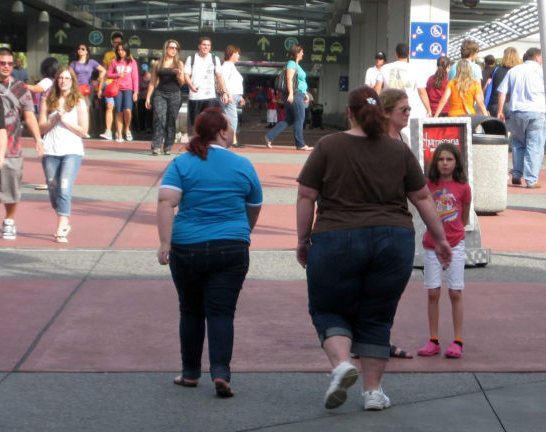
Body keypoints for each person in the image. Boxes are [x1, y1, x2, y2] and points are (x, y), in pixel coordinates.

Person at [296, 86, 452, 411]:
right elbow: (422, 197)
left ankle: (341, 365)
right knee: (377, 314)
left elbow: (307, 196)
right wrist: (440, 239)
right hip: (393, 239)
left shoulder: (328, 146)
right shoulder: (398, 150)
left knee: (329, 308)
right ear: (380, 112)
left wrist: (302, 239)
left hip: (336, 237)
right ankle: (372, 393)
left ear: (349, 112)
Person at [157, 107, 263, 399]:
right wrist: (243, 231)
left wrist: (165, 243)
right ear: (222, 131)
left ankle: (190, 373)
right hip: (231, 246)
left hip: (187, 245)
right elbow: (254, 206)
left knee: (190, 310)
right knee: (222, 313)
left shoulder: (181, 163)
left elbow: (167, 202)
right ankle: (221, 373)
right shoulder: (243, 165)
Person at [416, 143, 471, 359]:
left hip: (456, 243)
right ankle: (433, 339)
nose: (445, 163)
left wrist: (454, 233)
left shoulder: (463, 187)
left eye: (449, 159)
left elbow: (464, 216)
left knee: (455, 292)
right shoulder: (428, 185)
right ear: (435, 162)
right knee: (433, 292)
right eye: (441, 159)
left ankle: (458, 340)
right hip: (432, 245)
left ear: (456, 162)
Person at [0, 47, 43, 240]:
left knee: (11, 188)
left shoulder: (20, 88)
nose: (6, 66)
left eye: (9, 63)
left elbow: (29, 117)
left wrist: (38, 138)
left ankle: (9, 220)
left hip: (12, 146)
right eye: (2, 63)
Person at [38, 67, 88, 243]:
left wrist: (65, 121)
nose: (63, 81)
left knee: (65, 187)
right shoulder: (47, 101)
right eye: (60, 78)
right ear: (56, 80)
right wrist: (54, 119)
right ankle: (62, 213)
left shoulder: (79, 102)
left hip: (72, 151)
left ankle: (60, 226)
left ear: (72, 81)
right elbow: (41, 128)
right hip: (51, 150)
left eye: (67, 78)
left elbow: (84, 130)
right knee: (53, 188)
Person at [496, 47, 546, 189]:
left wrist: (500, 110)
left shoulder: (514, 70)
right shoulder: (543, 72)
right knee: (534, 146)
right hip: (537, 112)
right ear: (537, 57)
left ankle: (517, 174)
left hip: (516, 111)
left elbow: (502, 92)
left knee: (518, 144)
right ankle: (531, 179)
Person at [264, 44, 312, 150]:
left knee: (288, 120)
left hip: (298, 94)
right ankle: (300, 144)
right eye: (302, 52)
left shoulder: (295, 64)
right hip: (295, 95)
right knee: (300, 118)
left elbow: (299, 81)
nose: (303, 54)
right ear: (297, 53)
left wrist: (305, 94)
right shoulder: (291, 64)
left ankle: (269, 137)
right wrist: (291, 93)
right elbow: (289, 79)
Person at [146, 40, 185, 156]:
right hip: (160, 93)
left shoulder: (179, 63)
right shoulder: (158, 63)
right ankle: (156, 146)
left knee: (170, 120)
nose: (173, 50)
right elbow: (153, 81)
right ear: (166, 48)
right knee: (159, 118)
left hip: (175, 94)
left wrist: (178, 75)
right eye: (171, 47)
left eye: (176, 48)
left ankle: (168, 146)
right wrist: (148, 97)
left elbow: (182, 82)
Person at [184, 37, 229, 137]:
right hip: (195, 96)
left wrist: (224, 92)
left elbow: (220, 76)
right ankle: (196, 143)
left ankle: (206, 144)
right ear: (199, 46)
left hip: (209, 96)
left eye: (208, 45)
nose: (206, 47)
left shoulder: (214, 59)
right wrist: (191, 85)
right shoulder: (191, 58)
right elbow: (186, 75)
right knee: (195, 123)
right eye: (204, 45)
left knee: (208, 123)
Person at [374, 42, 432, 118]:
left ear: (396, 54)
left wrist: (374, 107)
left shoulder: (385, 68)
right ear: (408, 54)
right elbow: (422, 92)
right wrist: (428, 110)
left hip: (389, 108)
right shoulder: (415, 69)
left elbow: (377, 89)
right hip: (407, 109)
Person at [70, 43, 106, 138]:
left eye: (83, 49)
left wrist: (99, 79)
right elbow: (69, 75)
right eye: (79, 49)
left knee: (86, 109)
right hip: (76, 89)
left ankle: (85, 130)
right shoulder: (73, 64)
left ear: (87, 51)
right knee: (76, 109)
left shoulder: (91, 62)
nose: (80, 50)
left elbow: (103, 70)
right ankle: (77, 129)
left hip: (86, 89)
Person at [105, 42, 139, 142]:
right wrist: (117, 75)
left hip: (128, 89)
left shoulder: (132, 62)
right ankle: (119, 134)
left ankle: (127, 128)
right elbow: (109, 74)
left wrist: (135, 92)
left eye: (122, 50)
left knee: (128, 110)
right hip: (117, 88)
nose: (120, 52)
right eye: (119, 50)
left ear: (127, 51)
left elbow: (135, 78)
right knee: (118, 111)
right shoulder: (114, 61)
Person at [100, 32, 127, 140]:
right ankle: (108, 131)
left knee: (120, 109)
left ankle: (119, 131)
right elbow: (104, 71)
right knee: (109, 106)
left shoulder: (127, 55)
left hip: (122, 84)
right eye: (115, 42)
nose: (117, 45)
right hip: (110, 83)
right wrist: (101, 86)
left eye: (119, 43)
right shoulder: (108, 55)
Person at [221, 45, 245, 146]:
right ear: (231, 54)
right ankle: (232, 140)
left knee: (232, 118)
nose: (238, 56)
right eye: (237, 53)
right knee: (232, 118)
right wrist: (227, 94)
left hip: (234, 95)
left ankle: (232, 139)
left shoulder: (231, 66)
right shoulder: (227, 66)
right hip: (230, 95)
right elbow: (224, 81)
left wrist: (240, 97)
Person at [487, 47, 521, 118]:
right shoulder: (517, 71)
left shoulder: (496, 70)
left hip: (494, 104)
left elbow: (488, 84)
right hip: (510, 104)